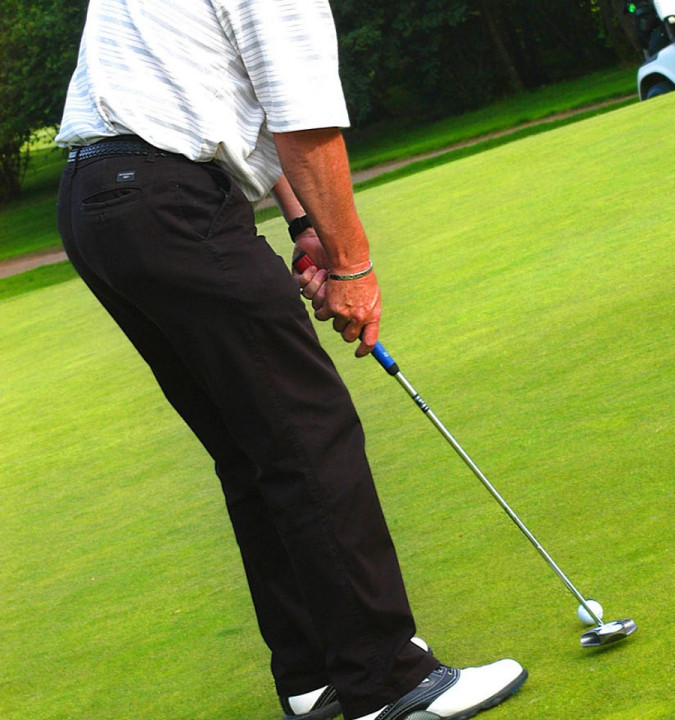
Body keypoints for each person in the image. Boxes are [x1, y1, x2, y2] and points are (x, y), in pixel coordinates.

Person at [54, 1, 528, 719]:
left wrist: (304, 224)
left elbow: (246, 100)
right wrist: (351, 268)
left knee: (253, 449)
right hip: (167, 196)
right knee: (310, 435)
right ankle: (387, 681)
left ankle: (313, 675)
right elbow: (304, 124)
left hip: (100, 205)